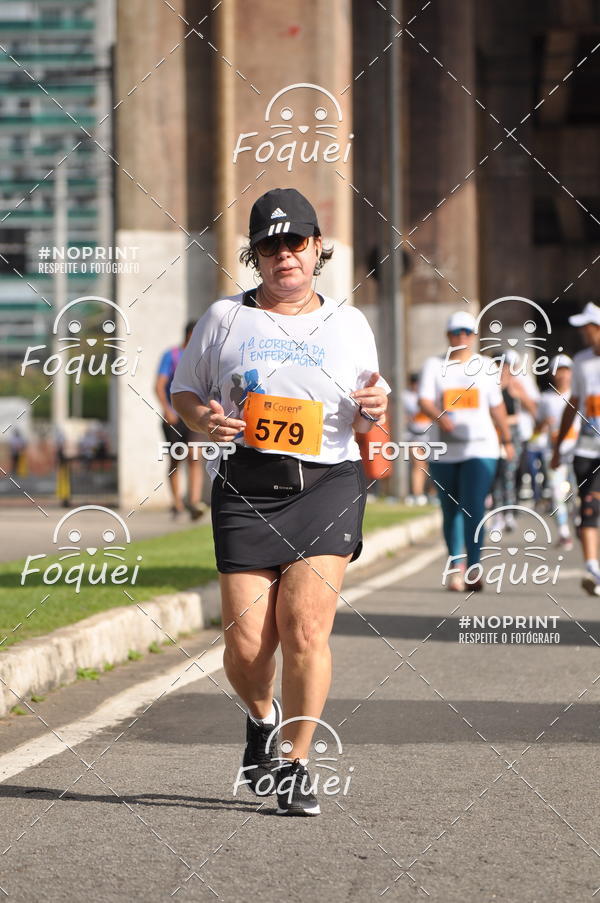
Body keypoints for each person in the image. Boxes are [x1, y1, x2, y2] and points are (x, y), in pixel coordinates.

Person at [171, 188, 389, 815]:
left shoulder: (350, 323)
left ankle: (295, 762)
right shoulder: (224, 319)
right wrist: (203, 419)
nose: (284, 255)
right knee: (245, 647)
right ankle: (260, 718)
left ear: (318, 248)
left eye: (296, 242)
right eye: (270, 245)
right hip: (246, 485)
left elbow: (371, 407)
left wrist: (377, 410)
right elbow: (184, 392)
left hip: (328, 484)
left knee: (305, 628)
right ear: (255, 255)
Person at [418, 311, 513, 592]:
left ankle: (473, 568)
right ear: (448, 336)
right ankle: (455, 566)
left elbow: (497, 406)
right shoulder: (434, 366)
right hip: (444, 450)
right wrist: (440, 415)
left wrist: (507, 438)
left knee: (473, 507)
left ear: (474, 337)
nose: (461, 337)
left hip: (481, 447)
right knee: (450, 511)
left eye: (467, 333)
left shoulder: (485, 366)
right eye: (456, 332)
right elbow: (424, 400)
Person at [552, 303, 600, 595]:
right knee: (588, 508)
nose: (583, 333)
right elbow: (573, 406)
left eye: (587, 327)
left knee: (595, 504)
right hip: (585, 449)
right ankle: (593, 568)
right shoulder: (581, 362)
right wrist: (558, 447)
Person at [155, 321, 206, 520]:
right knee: (176, 459)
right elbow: (159, 385)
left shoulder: (203, 357)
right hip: (174, 418)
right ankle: (177, 502)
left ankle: (193, 502)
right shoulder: (172, 356)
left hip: (195, 416)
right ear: (188, 335)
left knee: (194, 456)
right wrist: (167, 410)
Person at [539, 354, 577, 550]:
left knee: (577, 493)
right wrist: (543, 425)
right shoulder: (545, 399)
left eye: (566, 370)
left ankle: (580, 525)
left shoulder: (579, 395)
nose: (562, 375)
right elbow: (536, 429)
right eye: (558, 371)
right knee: (556, 493)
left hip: (579, 453)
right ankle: (563, 532)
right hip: (553, 454)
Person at [402, 372, 433, 505]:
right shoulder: (406, 396)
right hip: (413, 435)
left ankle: (432, 494)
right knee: (418, 464)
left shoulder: (428, 395)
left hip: (430, 435)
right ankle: (417, 494)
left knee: (431, 465)